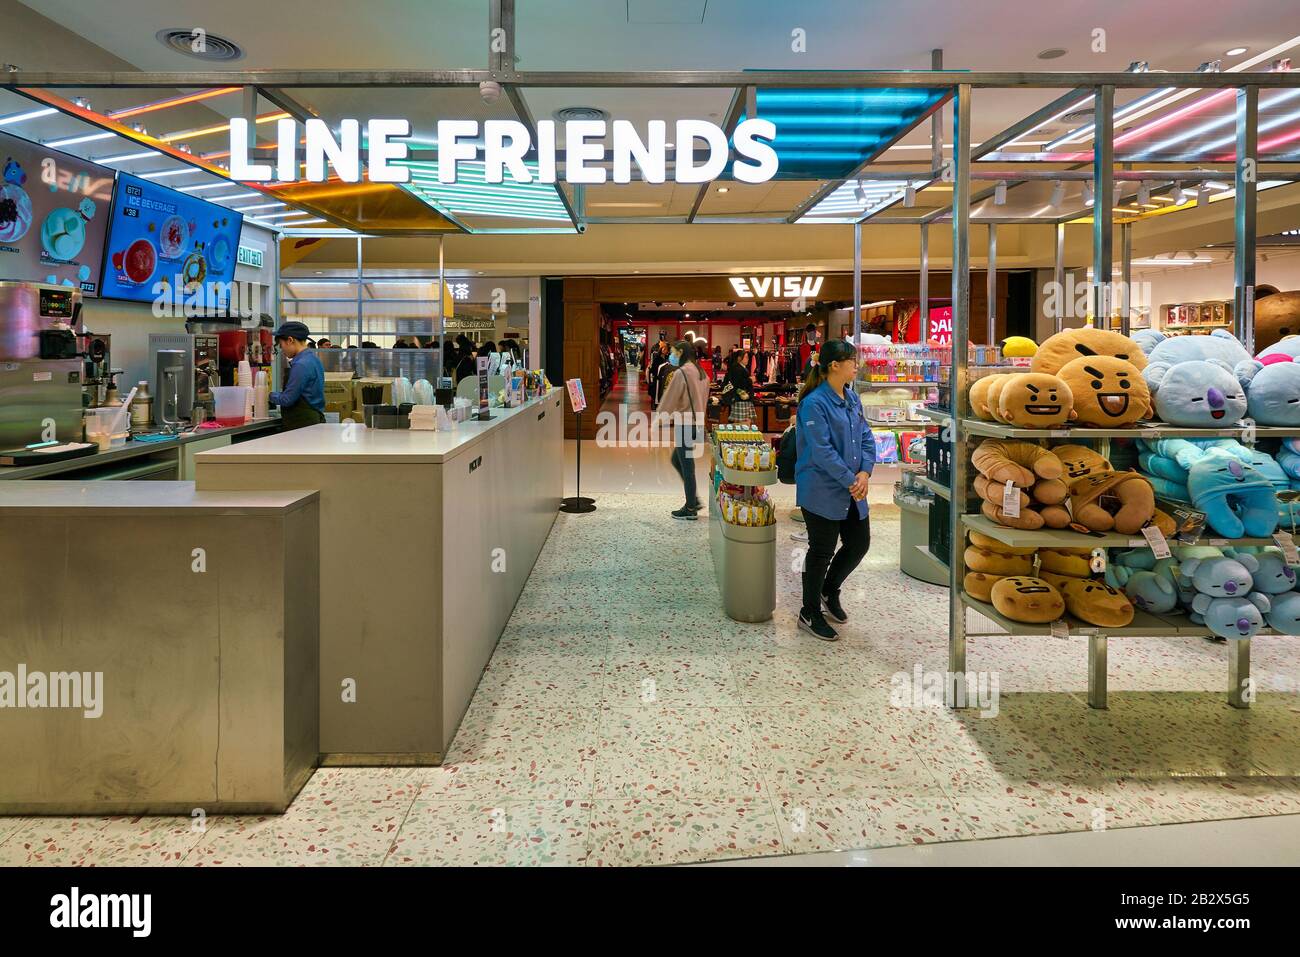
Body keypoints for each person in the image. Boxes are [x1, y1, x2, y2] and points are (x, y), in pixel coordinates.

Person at [794, 338, 875, 641]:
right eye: (852, 360)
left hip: (854, 486)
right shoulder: (814, 404)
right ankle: (809, 611)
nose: (857, 365)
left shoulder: (853, 399)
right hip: (822, 489)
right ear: (835, 366)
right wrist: (852, 481)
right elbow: (821, 451)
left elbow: (866, 438)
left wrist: (865, 472)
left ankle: (830, 589)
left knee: (858, 543)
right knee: (821, 551)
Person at [656, 340, 711, 520]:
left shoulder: (682, 373)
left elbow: (669, 398)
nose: (671, 355)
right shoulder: (701, 372)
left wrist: (660, 418)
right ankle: (693, 501)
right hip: (698, 423)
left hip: (686, 424)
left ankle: (690, 508)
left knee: (687, 466)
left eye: (673, 352)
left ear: (680, 352)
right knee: (677, 460)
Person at [269, 321, 326, 431]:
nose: (282, 350)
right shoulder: (313, 359)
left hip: (303, 424)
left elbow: (287, 399)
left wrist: (269, 395)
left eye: (281, 345)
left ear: (290, 340)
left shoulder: (301, 364)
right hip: (314, 418)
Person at [722, 348, 756, 424]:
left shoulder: (738, 367)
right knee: (742, 422)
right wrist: (750, 380)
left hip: (741, 398)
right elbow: (739, 383)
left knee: (743, 421)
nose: (748, 359)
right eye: (746, 357)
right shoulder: (738, 368)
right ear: (739, 358)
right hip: (741, 398)